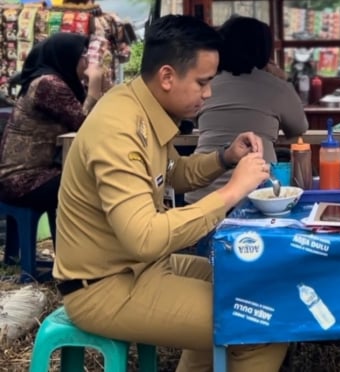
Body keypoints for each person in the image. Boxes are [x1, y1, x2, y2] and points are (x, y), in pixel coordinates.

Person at [53, 15, 285, 372]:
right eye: (203, 82)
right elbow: (144, 237)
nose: (209, 93)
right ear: (167, 77)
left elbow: (172, 174)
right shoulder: (120, 128)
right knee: (261, 323)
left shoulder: (140, 108)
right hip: (105, 286)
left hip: (140, 268)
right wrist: (232, 192)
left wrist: (225, 157)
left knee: (242, 280)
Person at [184, 16, 308, 205]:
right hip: (256, 197)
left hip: (201, 194)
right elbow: (299, 127)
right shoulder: (275, 86)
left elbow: (191, 119)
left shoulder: (206, 84)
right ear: (265, 50)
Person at [0, 32, 105, 232]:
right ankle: (77, 255)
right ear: (67, 56)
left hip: (36, 175)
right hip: (23, 181)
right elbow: (86, 126)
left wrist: (99, 91)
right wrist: (94, 88)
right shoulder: (48, 84)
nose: (86, 61)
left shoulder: (57, 82)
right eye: (83, 55)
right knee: (95, 183)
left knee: (95, 177)